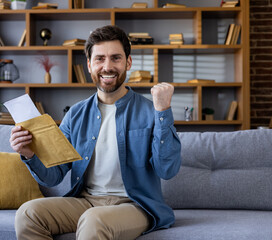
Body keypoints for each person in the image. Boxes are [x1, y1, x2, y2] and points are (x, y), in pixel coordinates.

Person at [10, 25, 181, 240]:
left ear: (128, 62)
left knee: (94, 220)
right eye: (100, 59)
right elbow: (54, 176)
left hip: (135, 206)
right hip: (86, 201)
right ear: (89, 65)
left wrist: (163, 111)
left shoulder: (152, 111)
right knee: (28, 214)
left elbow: (167, 170)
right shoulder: (76, 114)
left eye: (115, 58)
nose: (107, 67)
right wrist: (29, 154)